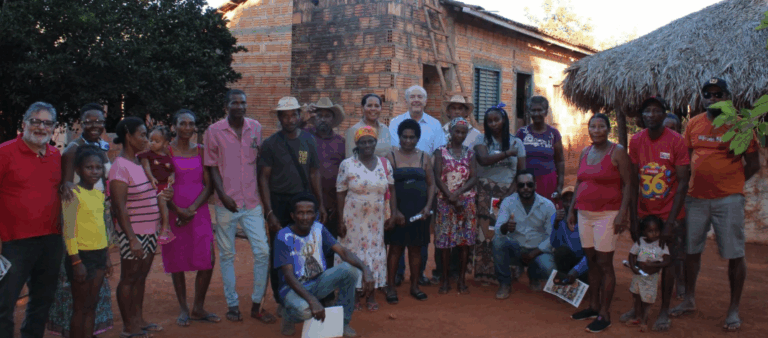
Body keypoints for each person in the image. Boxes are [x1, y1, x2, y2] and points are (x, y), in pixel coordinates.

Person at [670, 78, 760, 332]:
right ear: (702, 97)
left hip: (729, 199)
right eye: (707, 94)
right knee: (691, 251)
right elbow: (687, 161)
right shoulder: (694, 123)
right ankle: (688, 299)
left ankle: (733, 309)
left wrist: (730, 184)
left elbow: (753, 164)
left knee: (734, 253)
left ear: (727, 96)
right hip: (695, 199)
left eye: (718, 93)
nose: (712, 98)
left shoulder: (740, 126)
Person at [204, 89, 275, 323]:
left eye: (243, 102)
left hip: (252, 202)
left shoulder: (255, 128)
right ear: (227, 106)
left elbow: (259, 161)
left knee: (263, 252)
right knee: (226, 255)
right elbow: (212, 166)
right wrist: (222, 196)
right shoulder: (214, 131)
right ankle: (232, 304)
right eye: (235, 103)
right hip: (227, 203)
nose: (240, 106)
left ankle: (257, 304)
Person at [619, 96, 689, 332]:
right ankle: (638, 309)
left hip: (671, 215)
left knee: (667, 264)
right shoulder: (637, 140)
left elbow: (682, 184)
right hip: (644, 214)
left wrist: (669, 223)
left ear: (663, 113)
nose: (651, 115)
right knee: (641, 259)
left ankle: (664, 311)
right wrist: (633, 217)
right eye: (646, 111)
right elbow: (634, 180)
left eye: (656, 111)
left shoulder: (677, 142)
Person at [48, 103, 114, 338]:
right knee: (80, 303)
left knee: (91, 303)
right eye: (89, 121)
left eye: (99, 121)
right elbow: (66, 188)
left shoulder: (99, 147)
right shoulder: (73, 150)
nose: (95, 125)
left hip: (97, 233)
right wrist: (75, 260)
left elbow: (103, 181)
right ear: (81, 122)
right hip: (79, 237)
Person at [0, 102, 65, 338]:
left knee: (42, 300)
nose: (41, 127)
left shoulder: (56, 156)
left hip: (51, 241)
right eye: (35, 121)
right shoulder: (4, 152)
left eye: (47, 123)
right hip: (12, 243)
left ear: (53, 128)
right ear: (24, 123)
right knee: (3, 304)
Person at [275, 192, 376, 337]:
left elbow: (343, 252)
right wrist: (313, 301)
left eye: (309, 213)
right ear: (293, 215)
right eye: (300, 213)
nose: (305, 217)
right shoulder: (283, 236)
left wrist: (366, 269)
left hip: (317, 282)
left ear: (315, 215)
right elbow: (289, 276)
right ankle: (288, 315)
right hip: (292, 288)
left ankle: (343, 323)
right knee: (306, 311)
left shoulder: (319, 229)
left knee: (351, 270)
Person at [568, 113, 632, 333]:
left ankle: (605, 314)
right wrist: (571, 211)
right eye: (592, 126)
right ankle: (593, 306)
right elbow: (579, 183)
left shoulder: (618, 152)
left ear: (608, 129)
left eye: (601, 126)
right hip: (584, 214)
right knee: (591, 260)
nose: (596, 130)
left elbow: (629, 184)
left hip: (607, 214)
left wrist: (623, 213)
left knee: (605, 263)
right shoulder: (585, 152)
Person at [260, 96, 326, 310]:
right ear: (279, 118)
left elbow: (315, 172)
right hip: (279, 202)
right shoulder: (270, 144)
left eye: (293, 115)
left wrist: (321, 204)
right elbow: (264, 179)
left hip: (304, 203)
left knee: (308, 250)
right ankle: (281, 299)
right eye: (285, 116)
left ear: (299, 116)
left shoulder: (309, 140)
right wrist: (269, 212)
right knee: (280, 252)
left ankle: (311, 293)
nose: (289, 120)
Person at [110, 116, 172, 337]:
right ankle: (129, 327)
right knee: (129, 278)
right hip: (133, 233)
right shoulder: (120, 167)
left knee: (140, 277)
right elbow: (119, 208)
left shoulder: (139, 161)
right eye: (142, 135)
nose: (146, 139)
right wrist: (132, 239)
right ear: (128, 136)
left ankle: (139, 319)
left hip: (150, 230)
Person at [164, 110, 220, 326]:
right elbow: (162, 186)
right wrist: (178, 210)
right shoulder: (166, 151)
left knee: (208, 259)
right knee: (177, 258)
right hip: (173, 209)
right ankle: (184, 308)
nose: (187, 128)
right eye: (182, 123)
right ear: (174, 126)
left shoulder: (201, 151)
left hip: (199, 210)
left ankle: (198, 307)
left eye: (191, 124)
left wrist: (192, 210)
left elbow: (209, 185)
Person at [388, 85, 445, 286]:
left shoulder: (435, 125)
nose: (416, 100)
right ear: (406, 100)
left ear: (426, 100)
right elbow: (394, 151)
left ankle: (418, 275)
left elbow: (438, 154)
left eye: (420, 97)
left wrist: (434, 189)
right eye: (412, 97)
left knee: (420, 239)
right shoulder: (395, 122)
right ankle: (397, 275)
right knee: (397, 240)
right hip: (401, 186)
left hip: (423, 183)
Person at [336, 126, 395, 310]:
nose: (367, 145)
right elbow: (340, 192)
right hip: (353, 218)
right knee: (353, 253)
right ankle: (353, 295)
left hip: (376, 219)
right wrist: (340, 220)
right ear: (357, 143)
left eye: (371, 141)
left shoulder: (384, 164)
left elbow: (391, 189)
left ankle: (370, 296)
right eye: (363, 141)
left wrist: (390, 214)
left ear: (376, 143)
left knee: (375, 253)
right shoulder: (347, 164)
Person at [61, 145, 112, 338]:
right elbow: (68, 231)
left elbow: (102, 227)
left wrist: (107, 256)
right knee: (80, 307)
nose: (94, 171)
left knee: (92, 305)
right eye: (89, 167)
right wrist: (76, 262)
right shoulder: (73, 194)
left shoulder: (99, 195)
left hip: (99, 254)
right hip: (80, 257)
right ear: (78, 170)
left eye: (98, 167)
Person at [473, 104, 526, 285]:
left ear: (504, 120)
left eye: (497, 119)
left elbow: (522, 172)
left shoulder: (516, 142)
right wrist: (507, 153)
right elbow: (484, 160)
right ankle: (484, 274)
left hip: (507, 192)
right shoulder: (481, 140)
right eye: (490, 121)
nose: (493, 123)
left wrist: (510, 195)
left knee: (503, 231)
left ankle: (505, 273)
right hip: (485, 194)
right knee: (484, 233)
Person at [383, 119, 434, 304]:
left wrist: (428, 207)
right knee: (395, 249)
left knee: (416, 250)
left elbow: (431, 184)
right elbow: (389, 188)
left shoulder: (424, 157)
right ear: (399, 137)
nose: (408, 140)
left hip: (419, 211)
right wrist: (394, 212)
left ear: (418, 138)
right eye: (404, 137)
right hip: (398, 211)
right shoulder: (391, 156)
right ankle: (390, 287)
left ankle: (414, 286)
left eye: (412, 137)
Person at [492, 169, 556, 299]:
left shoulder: (548, 205)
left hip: (538, 250)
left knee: (549, 268)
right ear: (517, 187)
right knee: (497, 241)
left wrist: (534, 252)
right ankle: (504, 283)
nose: (525, 188)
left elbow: (552, 237)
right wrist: (506, 227)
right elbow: (499, 230)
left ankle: (534, 276)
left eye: (529, 184)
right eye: (521, 185)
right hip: (517, 249)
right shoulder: (508, 202)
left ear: (535, 185)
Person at [434, 117, 478, 295]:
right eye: (457, 131)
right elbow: (437, 177)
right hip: (445, 202)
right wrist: (450, 196)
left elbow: (474, 177)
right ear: (450, 132)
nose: (459, 135)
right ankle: (444, 280)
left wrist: (458, 194)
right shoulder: (440, 152)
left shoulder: (470, 153)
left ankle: (461, 280)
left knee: (464, 243)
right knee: (445, 243)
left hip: (466, 203)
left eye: (463, 132)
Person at [304, 98, 346, 274]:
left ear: (332, 119)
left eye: (327, 116)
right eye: (319, 115)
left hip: (334, 204)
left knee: (330, 246)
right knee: (310, 247)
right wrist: (305, 116)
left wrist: (338, 205)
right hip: (309, 204)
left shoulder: (341, 142)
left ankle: (328, 287)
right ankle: (312, 285)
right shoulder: (305, 138)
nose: (323, 119)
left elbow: (346, 173)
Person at [622, 215, 671, 333]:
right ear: (644, 231)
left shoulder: (661, 244)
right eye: (650, 231)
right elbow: (632, 254)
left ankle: (644, 321)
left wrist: (653, 265)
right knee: (636, 296)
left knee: (647, 300)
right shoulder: (640, 242)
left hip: (651, 278)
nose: (654, 234)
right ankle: (637, 317)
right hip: (638, 276)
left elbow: (667, 260)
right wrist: (633, 267)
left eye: (656, 231)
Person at [516, 96, 565, 205]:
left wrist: (560, 186)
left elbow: (560, 161)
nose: (536, 113)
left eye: (540, 110)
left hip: (548, 181)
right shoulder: (521, 133)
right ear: (529, 112)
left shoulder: (553, 133)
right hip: (526, 183)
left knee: (548, 214)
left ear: (546, 112)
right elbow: (515, 159)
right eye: (533, 110)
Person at [138, 126, 175, 242]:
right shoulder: (147, 155)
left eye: (157, 141)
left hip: (164, 186)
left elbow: (173, 170)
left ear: (165, 143)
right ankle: (161, 227)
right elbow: (146, 166)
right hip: (152, 186)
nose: (152, 143)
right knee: (158, 204)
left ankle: (165, 227)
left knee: (162, 203)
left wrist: (172, 177)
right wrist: (151, 178)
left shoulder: (168, 157)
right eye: (151, 140)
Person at [551, 186, 588, 285]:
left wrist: (576, 270)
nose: (568, 205)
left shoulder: (586, 218)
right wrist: (556, 225)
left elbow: (592, 254)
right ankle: (565, 282)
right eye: (565, 201)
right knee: (561, 252)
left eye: (572, 201)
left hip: (586, 261)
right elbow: (555, 245)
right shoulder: (557, 216)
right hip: (570, 259)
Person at [346, 94, 391, 158]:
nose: (373, 109)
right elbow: (350, 160)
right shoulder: (354, 130)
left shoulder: (385, 129)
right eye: (369, 105)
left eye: (377, 106)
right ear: (362, 108)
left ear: (381, 108)